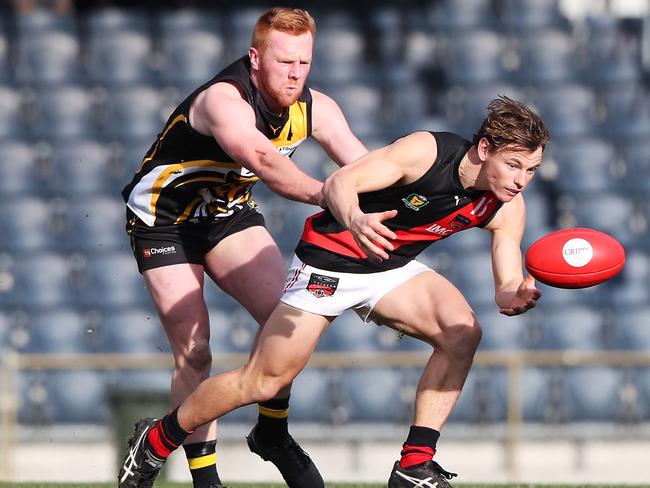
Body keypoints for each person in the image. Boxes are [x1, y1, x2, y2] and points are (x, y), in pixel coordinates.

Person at [118, 96, 549, 488]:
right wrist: (356, 220)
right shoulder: (426, 152)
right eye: (514, 165)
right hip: (329, 262)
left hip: (388, 267)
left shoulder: (506, 202)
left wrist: (510, 293)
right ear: (486, 149)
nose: (521, 180)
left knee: (463, 333)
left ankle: (414, 465)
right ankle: (155, 441)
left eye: (531, 170)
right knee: (262, 382)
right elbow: (342, 183)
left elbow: (507, 261)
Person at [119, 7, 367, 488]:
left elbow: (369, 166)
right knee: (195, 352)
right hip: (164, 220)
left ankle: (272, 433)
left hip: (226, 213)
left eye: (304, 63)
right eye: (284, 62)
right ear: (255, 58)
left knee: (288, 319)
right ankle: (204, 478)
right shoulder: (223, 100)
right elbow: (262, 160)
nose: (295, 74)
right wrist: (328, 194)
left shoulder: (318, 108)